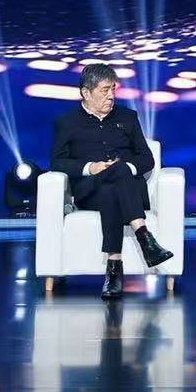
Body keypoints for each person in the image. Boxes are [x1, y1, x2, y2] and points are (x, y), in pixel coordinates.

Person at [50, 63, 174, 298]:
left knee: (113, 185)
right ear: (86, 93)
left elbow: (146, 159)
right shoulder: (66, 122)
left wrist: (124, 168)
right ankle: (145, 238)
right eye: (104, 90)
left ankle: (114, 269)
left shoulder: (128, 117)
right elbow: (58, 162)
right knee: (111, 181)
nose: (111, 96)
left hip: (127, 189)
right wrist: (91, 168)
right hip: (90, 190)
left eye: (113, 90)